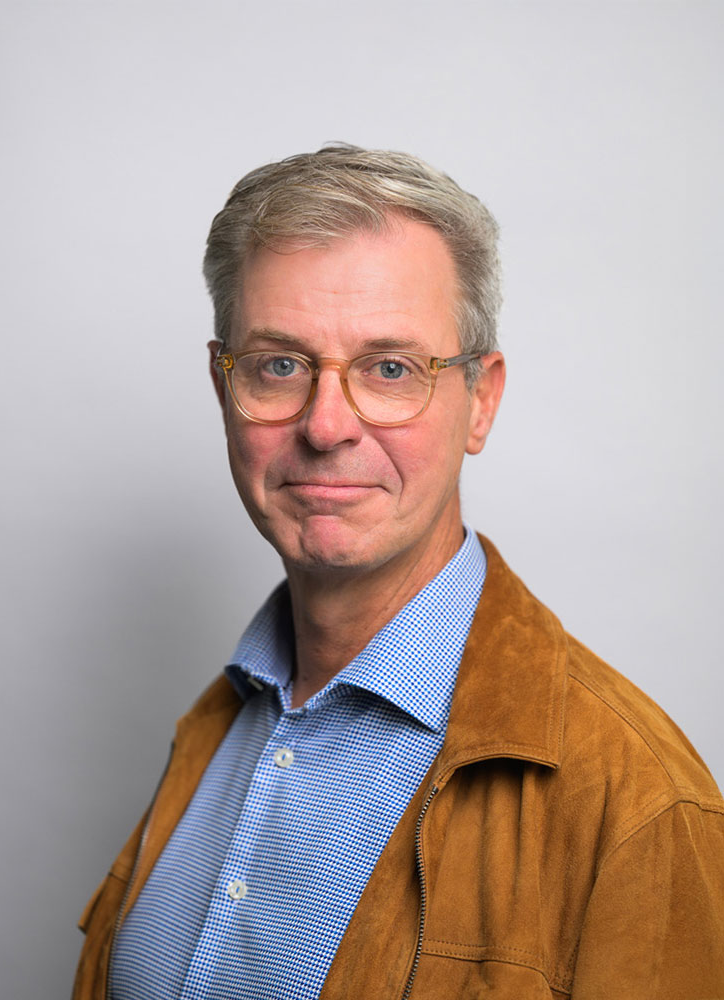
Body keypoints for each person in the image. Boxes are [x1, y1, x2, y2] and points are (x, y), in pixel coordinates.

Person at [73, 145, 724, 1000]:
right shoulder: (215, 726)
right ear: (223, 385)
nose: (326, 427)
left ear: (481, 401)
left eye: (391, 369)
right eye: (279, 364)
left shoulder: (639, 803)